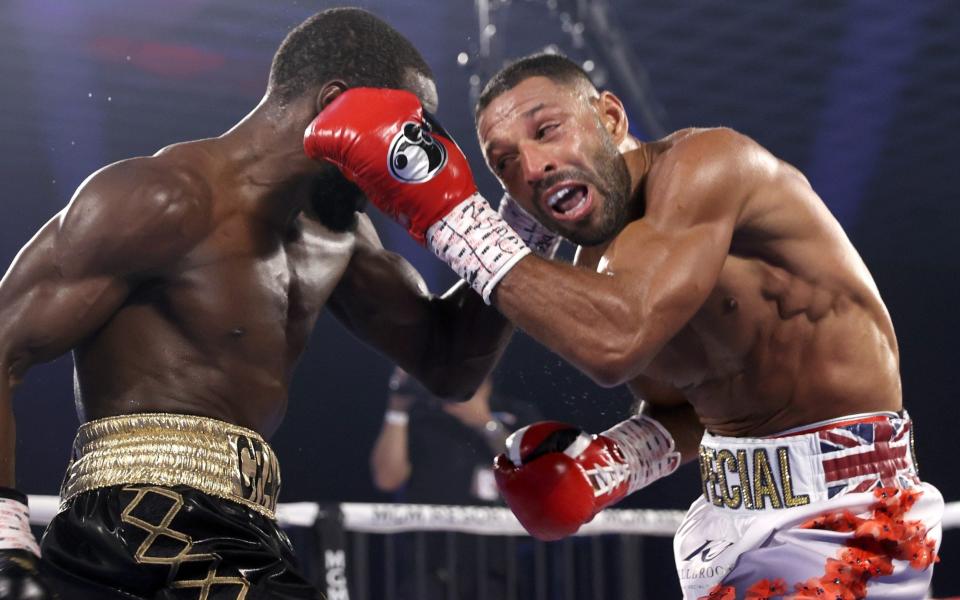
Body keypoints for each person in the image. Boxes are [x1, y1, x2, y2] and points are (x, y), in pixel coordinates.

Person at [305, 52, 943, 599]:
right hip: (729, 519)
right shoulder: (595, 271)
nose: (533, 166)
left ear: (609, 118)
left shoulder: (709, 165)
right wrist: (613, 463)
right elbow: (690, 407)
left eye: (548, 131)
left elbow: (616, 341)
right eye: (504, 164)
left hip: (852, 512)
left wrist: (448, 215)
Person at [0, 8, 520, 600]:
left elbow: (449, 366)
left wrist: (515, 236)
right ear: (338, 102)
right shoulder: (165, 195)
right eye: (410, 124)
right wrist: (4, 534)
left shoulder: (341, 234)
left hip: (247, 531)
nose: (414, 153)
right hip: (133, 523)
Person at [369, 367, 540, 600]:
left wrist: (486, 424)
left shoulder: (517, 414)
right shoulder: (420, 415)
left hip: (497, 569)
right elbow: (386, 479)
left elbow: (536, 475)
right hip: (427, 568)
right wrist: (397, 410)